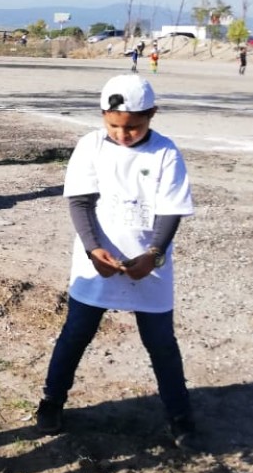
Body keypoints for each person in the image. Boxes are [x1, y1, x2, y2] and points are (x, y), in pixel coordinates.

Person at [35, 74, 198, 450]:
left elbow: (171, 210)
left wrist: (154, 254)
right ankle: (51, 402)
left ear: (152, 115)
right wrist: (93, 250)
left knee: (161, 343)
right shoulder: (90, 146)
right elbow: (79, 202)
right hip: (97, 262)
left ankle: (180, 416)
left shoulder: (165, 153)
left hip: (149, 265)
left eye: (133, 127)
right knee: (76, 333)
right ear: (102, 117)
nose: (123, 135)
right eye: (114, 126)